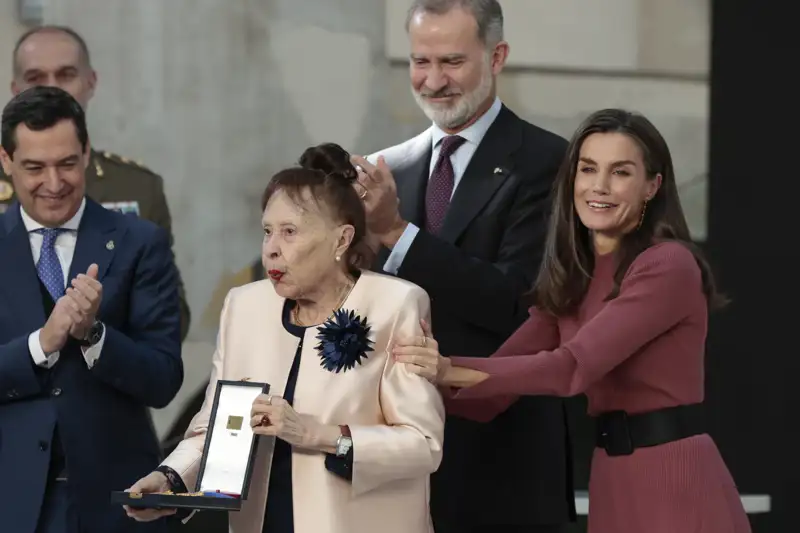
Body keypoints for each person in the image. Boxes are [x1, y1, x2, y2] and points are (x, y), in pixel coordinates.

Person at [392, 108, 752, 533]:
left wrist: (447, 368)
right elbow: (488, 395)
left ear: (652, 186)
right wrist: (395, 383)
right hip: (611, 476)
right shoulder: (575, 276)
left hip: (672, 476)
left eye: (620, 172)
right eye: (588, 169)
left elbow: (571, 368)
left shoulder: (667, 264)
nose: (598, 187)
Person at [124, 143, 445, 533]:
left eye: (289, 232)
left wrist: (318, 435)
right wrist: (171, 479)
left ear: (341, 240)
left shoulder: (395, 304)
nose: (271, 250)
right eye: (267, 231)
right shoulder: (244, 307)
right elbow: (216, 427)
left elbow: (422, 445)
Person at [350, 1, 573, 531]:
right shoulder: (389, 167)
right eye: (419, 61)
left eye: (451, 61)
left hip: (502, 457)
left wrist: (394, 232)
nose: (432, 81)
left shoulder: (549, 161)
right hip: (395, 460)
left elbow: (514, 302)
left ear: (496, 57)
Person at [0, 86, 183, 532]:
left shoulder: (140, 242)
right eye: (34, 168)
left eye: (66, 163)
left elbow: (162, 379)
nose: (54, 182)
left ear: (86, 153)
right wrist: (41, 344)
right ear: (5, 162)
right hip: (13, 502)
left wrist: (95, 336)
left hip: (116, 504)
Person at [0, 25, 191, 340]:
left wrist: (93, 331)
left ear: (91, 82)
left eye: (66, 75)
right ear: (15, 87)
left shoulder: (136, 188)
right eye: (36, 78)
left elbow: (169, 320)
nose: (53, 88)